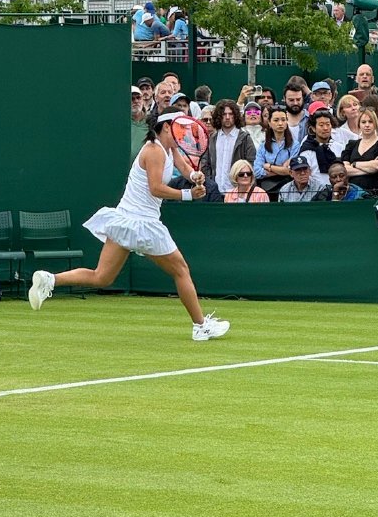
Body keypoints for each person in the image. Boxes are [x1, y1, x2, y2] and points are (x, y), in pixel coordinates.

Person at [28, 107, 230, 342]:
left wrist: (194, 176)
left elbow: (184, 167)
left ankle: (50, 279)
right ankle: (200, 326)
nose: (183, 131)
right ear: (166, 127)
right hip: (141, 224)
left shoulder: (169, 146)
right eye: (178, 126)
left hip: (124, 222)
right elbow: (156, 188)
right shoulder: (153, 151)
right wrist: (188, 195)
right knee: (181, 270)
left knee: (102, 277)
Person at [200, 100, 256, 196]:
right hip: (215, 192)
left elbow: (251, 165)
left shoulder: (245, 138)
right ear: (219, 116)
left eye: (231, 114)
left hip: (238, 193)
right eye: (224, 114)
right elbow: (206, 165)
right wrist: (210, 184)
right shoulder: (212, 138)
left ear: (236, 116)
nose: (227, 117)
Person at [253, 105, 300, 200]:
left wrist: (269, 167)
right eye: (276, 120)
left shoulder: (295, 145)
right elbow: (257, 172)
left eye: (283, 120)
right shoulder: (263, 146)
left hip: (289, 189)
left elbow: (291, 170)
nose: (280, 123)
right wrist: (282, 169)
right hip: (267, 189)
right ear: (269, 123)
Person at [341, 108, 378, 192]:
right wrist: (369, 170)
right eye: (363, 122)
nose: (367, 125)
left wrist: (355, 164)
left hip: (375, 191)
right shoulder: (352, 144)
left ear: (375, 124)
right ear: (359, 124)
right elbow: (345, 170)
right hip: (353, 192)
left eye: (370, 122)